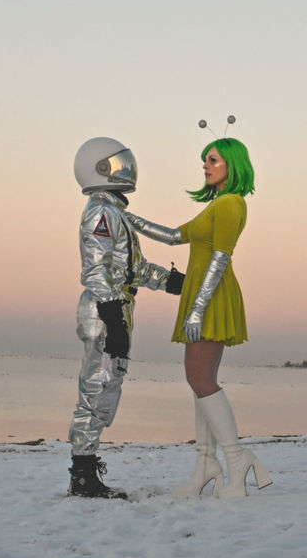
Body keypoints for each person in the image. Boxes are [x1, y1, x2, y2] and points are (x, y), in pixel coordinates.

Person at [126, 135, 272, 500]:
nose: (205, 166)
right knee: (199, 380)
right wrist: (130, 219)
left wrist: (196, 309)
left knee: (200, 378)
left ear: (232, 165)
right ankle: (206, 464)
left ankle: (236, 460)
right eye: (205, 160)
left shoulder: (231, 204)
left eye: (213, 160)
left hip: (211, 296)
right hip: (202, 296)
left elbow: (220, 259)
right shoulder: (215, 206)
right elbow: (176, 236)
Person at [69, 137, 184, 499]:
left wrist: (171, 282)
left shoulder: (115, 212)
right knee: (96, 390)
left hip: (117, 308)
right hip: (107, 312)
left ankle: (87, 470)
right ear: (99, 168)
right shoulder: (100, 212)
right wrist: (112, 314)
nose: (125, 171)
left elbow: (130, 269)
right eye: (116, 165)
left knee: (106, 389)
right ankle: (83, 475)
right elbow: (96, 268)